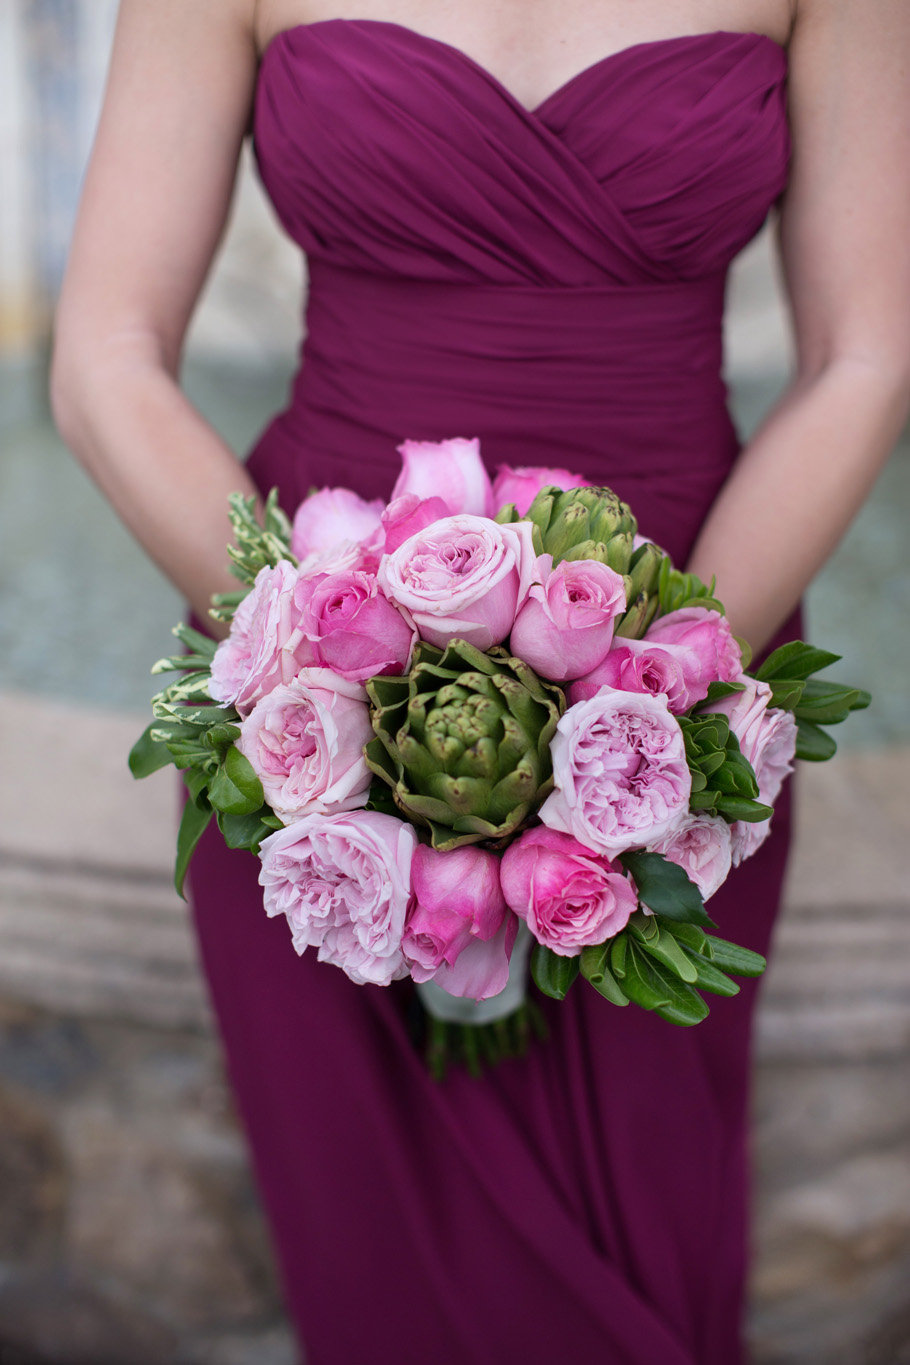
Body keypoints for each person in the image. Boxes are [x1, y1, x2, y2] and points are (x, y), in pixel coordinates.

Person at [50, 2, 910, 1362]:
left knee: (641, 1221)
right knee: (376, 1270)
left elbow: (861, 357)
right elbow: (102, 361)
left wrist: (643, 702)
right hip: (311, 712)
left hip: (687, 679)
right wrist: (316, 675)